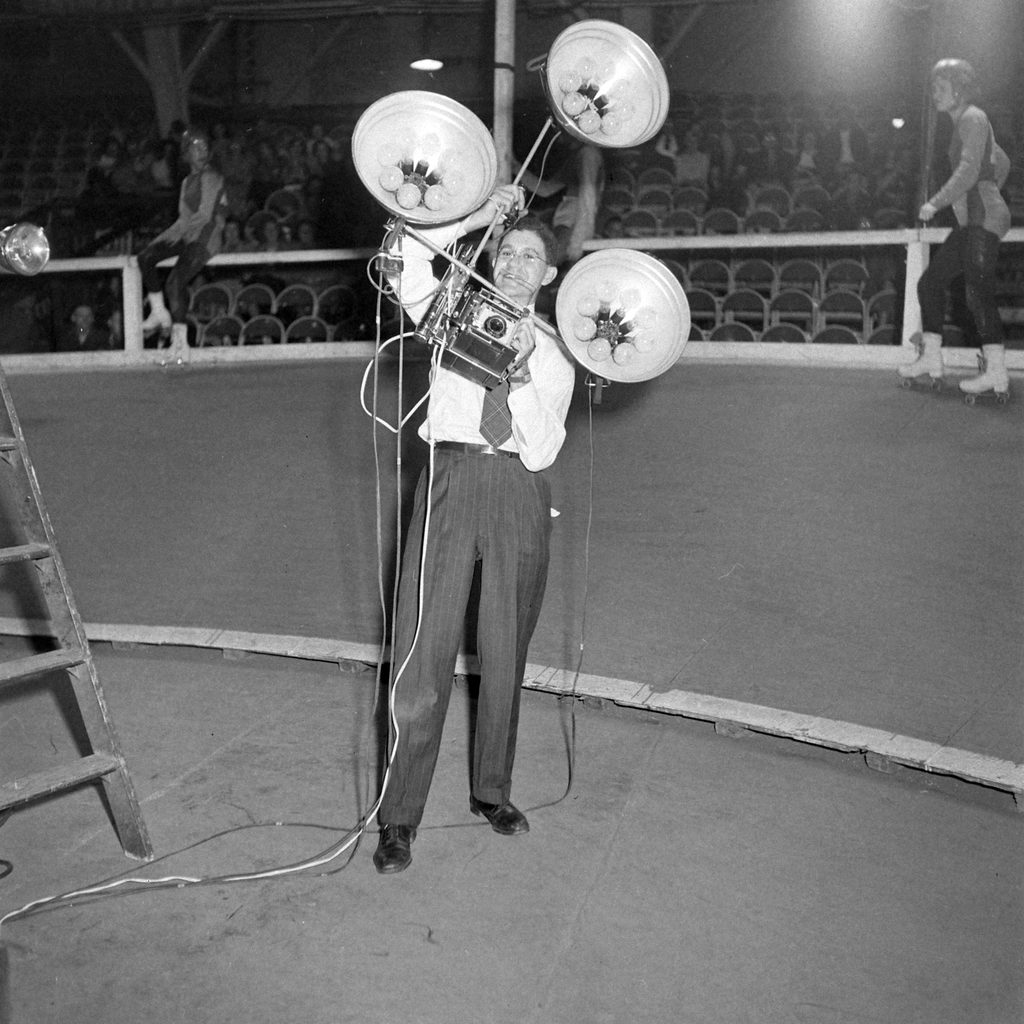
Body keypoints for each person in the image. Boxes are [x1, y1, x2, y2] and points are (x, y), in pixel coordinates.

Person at [373, 187, 576, 874]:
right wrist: (476, 216)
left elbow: (544, 448)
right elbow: (403, 253)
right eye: (508, 251)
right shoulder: (453, 310)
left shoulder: (553, 353)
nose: (516, 264)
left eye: (531, 257)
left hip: (517, 489)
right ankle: (399, 815)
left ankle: (492, 790)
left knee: (504, 649)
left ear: (550, 274)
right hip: (452, 479)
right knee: (421, 647)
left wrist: (518, 373)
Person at [899, 59, 1012, 396]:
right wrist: (989, 188)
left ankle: (997, 372)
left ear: (959, 89)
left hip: (982, 218)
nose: (935, 94)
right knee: (930, 283)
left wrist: (936, 203)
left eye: (941, 87)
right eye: (934, 87)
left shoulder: (972, 118)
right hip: (974, 220)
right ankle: (931, 359)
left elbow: (968, 170)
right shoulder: (967, 122)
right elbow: (1000, 161)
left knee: (977, 293)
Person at [136, 127, 228, 363]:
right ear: (186, 153)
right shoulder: (187, 182)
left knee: (175, 282)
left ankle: (181, 346)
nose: (202, 151)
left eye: (205, 147)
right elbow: (184, 218)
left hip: (206, 237)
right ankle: (159, 313)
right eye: (196, 147)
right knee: (145, 257)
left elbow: (205, 215)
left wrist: (179, 234)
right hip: (189, 235)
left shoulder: (212, 177)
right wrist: (161, 239)